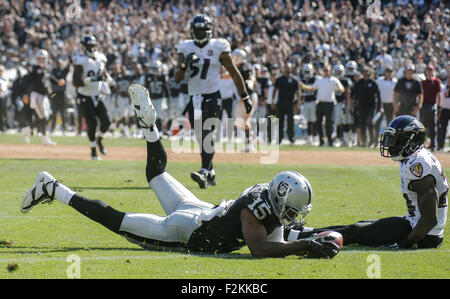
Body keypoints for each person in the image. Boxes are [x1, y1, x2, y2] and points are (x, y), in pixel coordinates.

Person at [20, 83, 339, 259]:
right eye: (293, 210)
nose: (294, 215)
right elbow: (259, 248)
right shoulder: (257, 209)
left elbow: (276, 237)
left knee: (156, 174)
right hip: (184, 231)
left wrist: (307, 243)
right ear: (280, 199)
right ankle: (52, 188)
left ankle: (150, 130)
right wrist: (303, 245)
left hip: (199, 210)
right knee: (117, 222)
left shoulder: (264, 193)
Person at [286, 116, 447, 249]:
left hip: (423, 235)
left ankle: (297, 237)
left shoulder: (416, 164)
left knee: (357, 231)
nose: (390, 145)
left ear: (411, 142)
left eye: (397, 140)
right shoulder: (418, 156)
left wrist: (405, 243)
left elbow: (429, 219)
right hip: (418, 227)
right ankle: (303, 232)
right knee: (361, 226)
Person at [174, 14, 252, 189]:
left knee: (208, 134)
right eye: (197, 30)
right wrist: (184, 64)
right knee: (201, 138)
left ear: (209, 31)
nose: (200, 33)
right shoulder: (185, 47)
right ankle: (211, 172)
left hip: (212, 96)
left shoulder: (219, 46)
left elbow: (233, 71)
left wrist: (244, 95)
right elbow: (177, 78)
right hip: (194, 98)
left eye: (203, 30)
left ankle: (203, 171)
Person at [72, 35, 112, 160]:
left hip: (97, 94)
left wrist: (109, 79)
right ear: (84, 47)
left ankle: (99, 139)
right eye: (90, 46)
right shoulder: (80, 60)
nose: (92, 48)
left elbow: (103, 73)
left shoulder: (101, 58)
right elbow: (75, 82)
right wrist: (91, 79)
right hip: (84, 95)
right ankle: (93, 150)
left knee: (107, 122)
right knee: (92, 124)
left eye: (94, 45)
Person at [301, 65, 344, 147]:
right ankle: (321, 141)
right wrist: (303, 86)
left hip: (329, 104)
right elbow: (312, 88)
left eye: (327, 70)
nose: (326, 72)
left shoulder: (334, 80)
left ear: (330, 71)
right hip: (320, 103)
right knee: (318, 123)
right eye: (325, 70)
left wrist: (340, 89)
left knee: (328, 123)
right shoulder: (319, 80)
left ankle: (330, 141)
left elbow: (341, 88)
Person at [27, 49, 57, 145]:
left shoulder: (48, 68)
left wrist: (58, 81)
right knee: (43, 117)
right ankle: (45, 139)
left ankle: (28, 129)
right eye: (39, 59)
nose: (41, 60)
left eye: (43, 59)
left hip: (44, 96)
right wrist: (25, 94)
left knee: (47, 116)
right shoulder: (35, 68)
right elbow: (29, 80)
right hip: (37, 95)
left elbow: (50, 78)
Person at [271, 63, 301, 144]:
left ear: (291, 69)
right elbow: (275, 90)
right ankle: (279, 138)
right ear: (284, 68)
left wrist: (298, 102)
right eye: (286, 68)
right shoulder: (279, 79)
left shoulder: (294, 80)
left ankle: (291, 138)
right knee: (280, 121)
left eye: (289, 68)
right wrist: (273, 101)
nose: (287, 69)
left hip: (290, 102)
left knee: (290, 121)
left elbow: (298, 92)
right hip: (280, 102)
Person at [351, 67, 381, 147]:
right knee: (362, 124)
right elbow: (353, 93)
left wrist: (379, 107)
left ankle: (372, 141)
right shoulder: (359, 83)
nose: (365, 73)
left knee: (369, 122)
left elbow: (378, 96)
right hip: (361, 106)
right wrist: (352, 101)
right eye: (364, 72)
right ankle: (364, 142)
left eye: (366, 72)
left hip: (371, 107)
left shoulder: (373, 83)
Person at [420, 65, 442, 151]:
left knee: (433, 127)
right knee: (422, 128)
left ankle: (433, 145)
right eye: (428, 70)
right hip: (423, 106)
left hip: (432, 106)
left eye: (431, 70)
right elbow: (420, 95)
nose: (429, 72)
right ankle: (421, 145)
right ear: (426, 72)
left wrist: (439, 106)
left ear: (433, 72)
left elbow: (439, 94)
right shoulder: (422, 82)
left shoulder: (436, 82)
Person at [49, 57, 69, 133]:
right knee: (54, 111)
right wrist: (58, 81)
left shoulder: (63, 71)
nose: (59, 64)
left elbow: (68, 67)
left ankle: (64, 128)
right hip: (54, 93)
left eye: (60, 63)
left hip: (62, 93)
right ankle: (52, 128)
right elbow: (51, 78)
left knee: (62, 112)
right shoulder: (53, 71)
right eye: (57, 63)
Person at [300, 63, 317, 145]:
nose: (306, 73)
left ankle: (314, 136)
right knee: (307, 121)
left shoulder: (315, 79)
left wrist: (304, 87)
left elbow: (314, 89)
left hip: (313, 101)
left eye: (308, 71)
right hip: (306, 102)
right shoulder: (303, 79)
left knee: (313, 120)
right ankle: (309, 137)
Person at [437, 75, 450, 151]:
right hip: (444, 110)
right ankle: (441, 146)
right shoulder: (442, 87)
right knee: (442, 129)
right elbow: (444, 96)